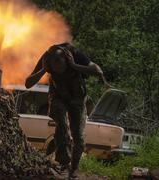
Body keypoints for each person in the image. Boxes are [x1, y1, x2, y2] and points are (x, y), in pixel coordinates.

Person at [25, 43, 111, 179]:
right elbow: (28, 83)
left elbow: (97, 71)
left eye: (62, 67)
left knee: (78, 136)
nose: (59, 72)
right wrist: (43, 70)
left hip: (78, 97)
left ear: (66, 59)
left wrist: (75, 66)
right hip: (58, 96)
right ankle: (63, 163)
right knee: (62, 127)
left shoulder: (74, 54)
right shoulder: (46, 59)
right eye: (55, 69)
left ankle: (74, 168)